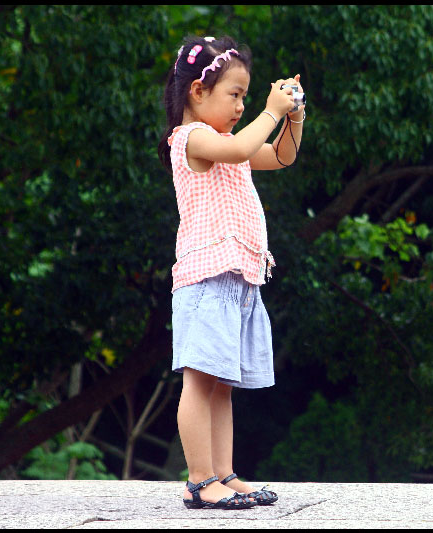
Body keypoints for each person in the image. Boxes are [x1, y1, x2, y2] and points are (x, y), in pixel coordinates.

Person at [157, 35, 305, 510]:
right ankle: (200, 481)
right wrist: (272, 110)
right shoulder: (192, 139)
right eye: (234, 95)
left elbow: (280, 156)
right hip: (205, 279)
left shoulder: (224, 141)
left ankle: (224, 474)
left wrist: (294, 117)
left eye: (245, 96)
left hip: (235, 278)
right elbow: (245, 148)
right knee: (200, 381)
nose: (242, 105)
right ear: (197, 92)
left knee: (222, 383)